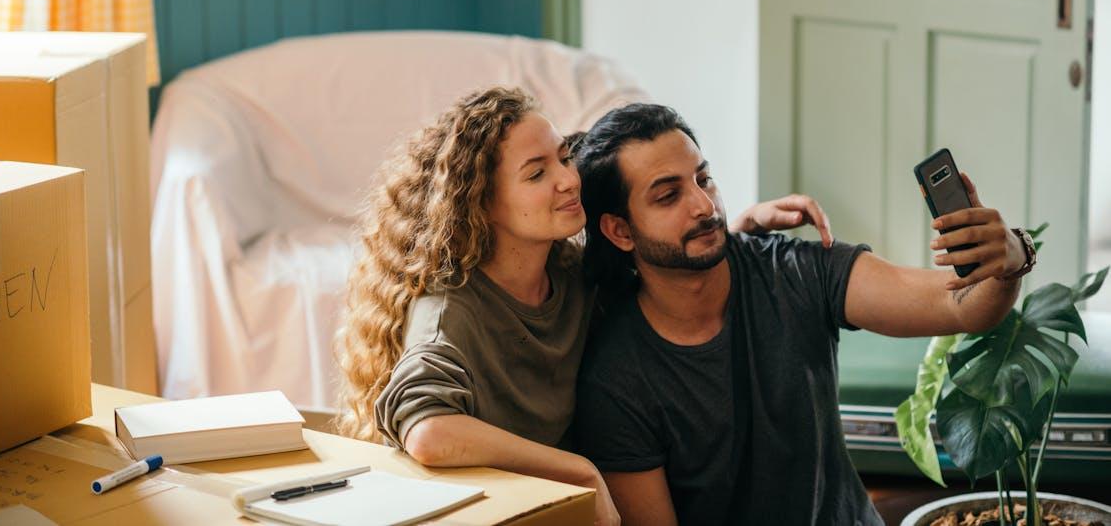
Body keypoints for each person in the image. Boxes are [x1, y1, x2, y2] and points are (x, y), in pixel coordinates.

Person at [335, 87, 835, 526]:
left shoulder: (570, 272)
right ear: (481, 204)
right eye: (537, 174)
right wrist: (578, 470)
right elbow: (427, 433)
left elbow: (657, 256)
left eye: (563, 157)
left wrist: (736, 230)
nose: (568, 180)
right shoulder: (450, 311)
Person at [571, 103, 1036, 525]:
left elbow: (959, 306)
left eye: (703, 178)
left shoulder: (791, 270)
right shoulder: (617, 379)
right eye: (667, 196)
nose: (704, 205)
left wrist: (1010, 257)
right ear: (619, 231)